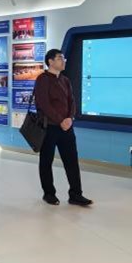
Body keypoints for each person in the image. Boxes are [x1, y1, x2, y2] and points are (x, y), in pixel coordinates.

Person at [34, 49, 93, 207]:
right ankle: (49, 193)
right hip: (49, 127)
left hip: (66, 127)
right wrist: (60, 120)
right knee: (46, 161)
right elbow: (44, 104)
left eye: (63, 58)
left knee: (72, 161)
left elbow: (71, 101)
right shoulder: (42, 79)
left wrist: (69, 118)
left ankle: (76, 194)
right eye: (60, 58)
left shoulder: (65, 80)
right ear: (50, 61)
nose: (63, 61)